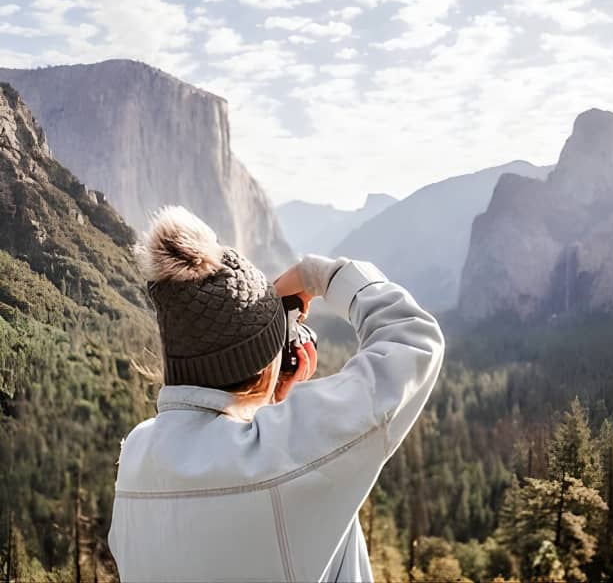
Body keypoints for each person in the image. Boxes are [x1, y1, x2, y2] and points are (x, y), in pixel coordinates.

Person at [108, 205, 445, 583]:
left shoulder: (136, 457)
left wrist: (269, 396)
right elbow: (413, 338)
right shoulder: (284, 455)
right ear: (267, 365)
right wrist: (324, 276)